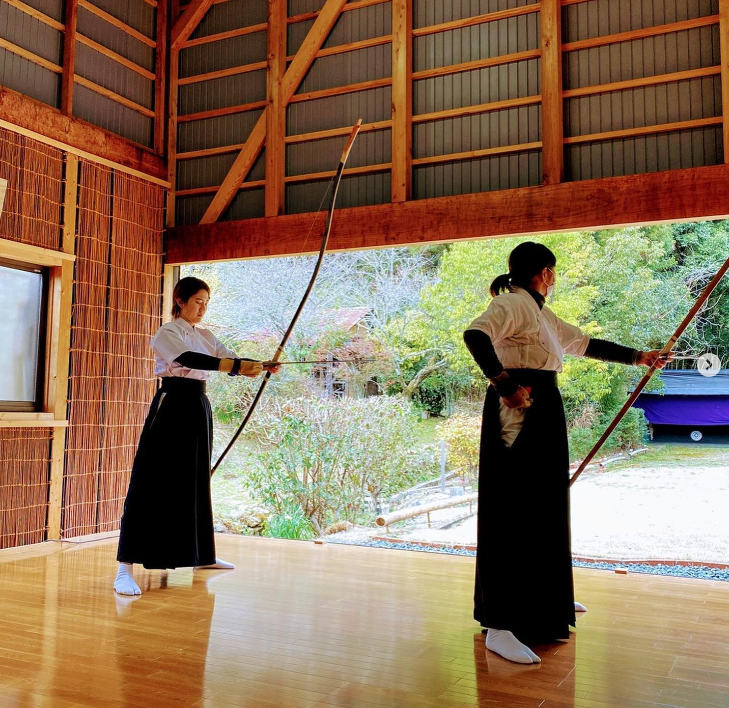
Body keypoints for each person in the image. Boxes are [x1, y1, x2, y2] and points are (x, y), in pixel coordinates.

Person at [463, 241, 670, 664]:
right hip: (517, 406)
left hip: (542, 405)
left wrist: (639, 358)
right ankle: (500, 624)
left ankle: (547, 599)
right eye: (554, 272)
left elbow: (584, 343)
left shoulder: (541, 313)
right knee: (512, 508)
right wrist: (503, 384)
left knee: (544, 504)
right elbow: (475, 335)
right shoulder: (514, 305)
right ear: (546, 272)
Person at [114, 276, 280, 596]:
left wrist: (258, 365)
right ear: (181, 301)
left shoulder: (205, 335)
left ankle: (201, 555)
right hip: (172, 403)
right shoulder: (168, 332)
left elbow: (225, 358)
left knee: (195, 479)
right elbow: (188, 360)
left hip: (197, 405)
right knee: (151, 481)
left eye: (206, 302)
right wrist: (235, 365)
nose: (203, 308)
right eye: (198, 301)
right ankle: (125, 567)